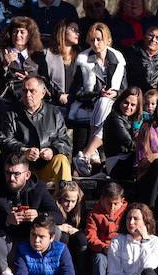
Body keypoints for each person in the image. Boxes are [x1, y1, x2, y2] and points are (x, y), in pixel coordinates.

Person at [0, 153, 62, 275]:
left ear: (27, 175)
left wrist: (38, 215)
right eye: (8, 173)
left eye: (16, 174)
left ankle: (44, 268)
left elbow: (58, 216)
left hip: (33, 242)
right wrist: (6, 219)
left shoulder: (38, 187)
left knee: (55, 231)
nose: (11, 178)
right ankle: (6, 272)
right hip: (7, 243)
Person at [70, 23, 127, 176]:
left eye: (99, 39)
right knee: (103, 102)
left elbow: (124, 89)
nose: (95, 43)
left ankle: (87, 154)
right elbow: (77, 92)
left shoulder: (118, 60)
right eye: (92, 40)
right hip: (88, 104)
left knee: (105, 103)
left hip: (113, 105)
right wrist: (97, 94)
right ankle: (90, 152)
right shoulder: (83, 60)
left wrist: (115, 93)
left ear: (108, 40)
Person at [0, 75, 73, 185]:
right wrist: (23, 150)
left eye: (32, 91)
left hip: (46, 165)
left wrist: (52, 151)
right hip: (21, 166)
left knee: (61, 160)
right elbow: (3, 140)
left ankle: (65, 198)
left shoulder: (54, 113)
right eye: (24, 91)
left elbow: (65, 141)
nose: (27, 95)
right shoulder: (11, 113)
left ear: (42, 93)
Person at [0, 16, 48, 107]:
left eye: (22, 32)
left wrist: (30, 78)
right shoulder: (0, 53)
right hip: (5, 104)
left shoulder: (38, 56)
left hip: (31, 104)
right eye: (15, 31)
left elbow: (45, 80)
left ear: (30, 35)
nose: (18, 35)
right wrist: (4, 65)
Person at [85, 183, 128, 275]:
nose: (112, 208)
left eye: (116, 204)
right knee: (99, 260)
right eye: (109, 203)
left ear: (122, 200)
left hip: (123, 250)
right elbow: (91, 237)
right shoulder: (93, 214)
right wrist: (104, 248)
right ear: (102, 199)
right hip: (103, 250)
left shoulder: (128, 212)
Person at [102, 87, 144, 179]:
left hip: (128, 159)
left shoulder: (133, 119)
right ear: (120, 101)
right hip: (116, 162)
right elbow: (129, 143)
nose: (128, 107)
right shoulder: (114, 118)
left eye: (133, 105)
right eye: (126, 102)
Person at [54, 180, 89, 275]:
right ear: (60, 198)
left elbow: (84, 227)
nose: (70, 205)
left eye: (73, 201)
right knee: (64, 237)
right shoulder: (54, 208)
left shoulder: (79, 210)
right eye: (66, 200)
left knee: (81, 238)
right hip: (61, 238)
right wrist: (59, 227)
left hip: (74, 238)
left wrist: (77, 231)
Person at [43, 19, 81, 108]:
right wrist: (59, 95)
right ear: (63, 30)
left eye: (78, 31)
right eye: (73, 30)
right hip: (52, 103)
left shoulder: (81, 56)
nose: (77, 33)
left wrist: (71, 96)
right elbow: (43, 78)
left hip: (75, 103)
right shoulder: (47, 54)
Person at [123, 26, 158, 92]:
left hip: (155, 95)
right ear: (144, 37)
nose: (153, 40)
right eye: (150, 36)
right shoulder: (130, 52)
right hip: (134, 92)